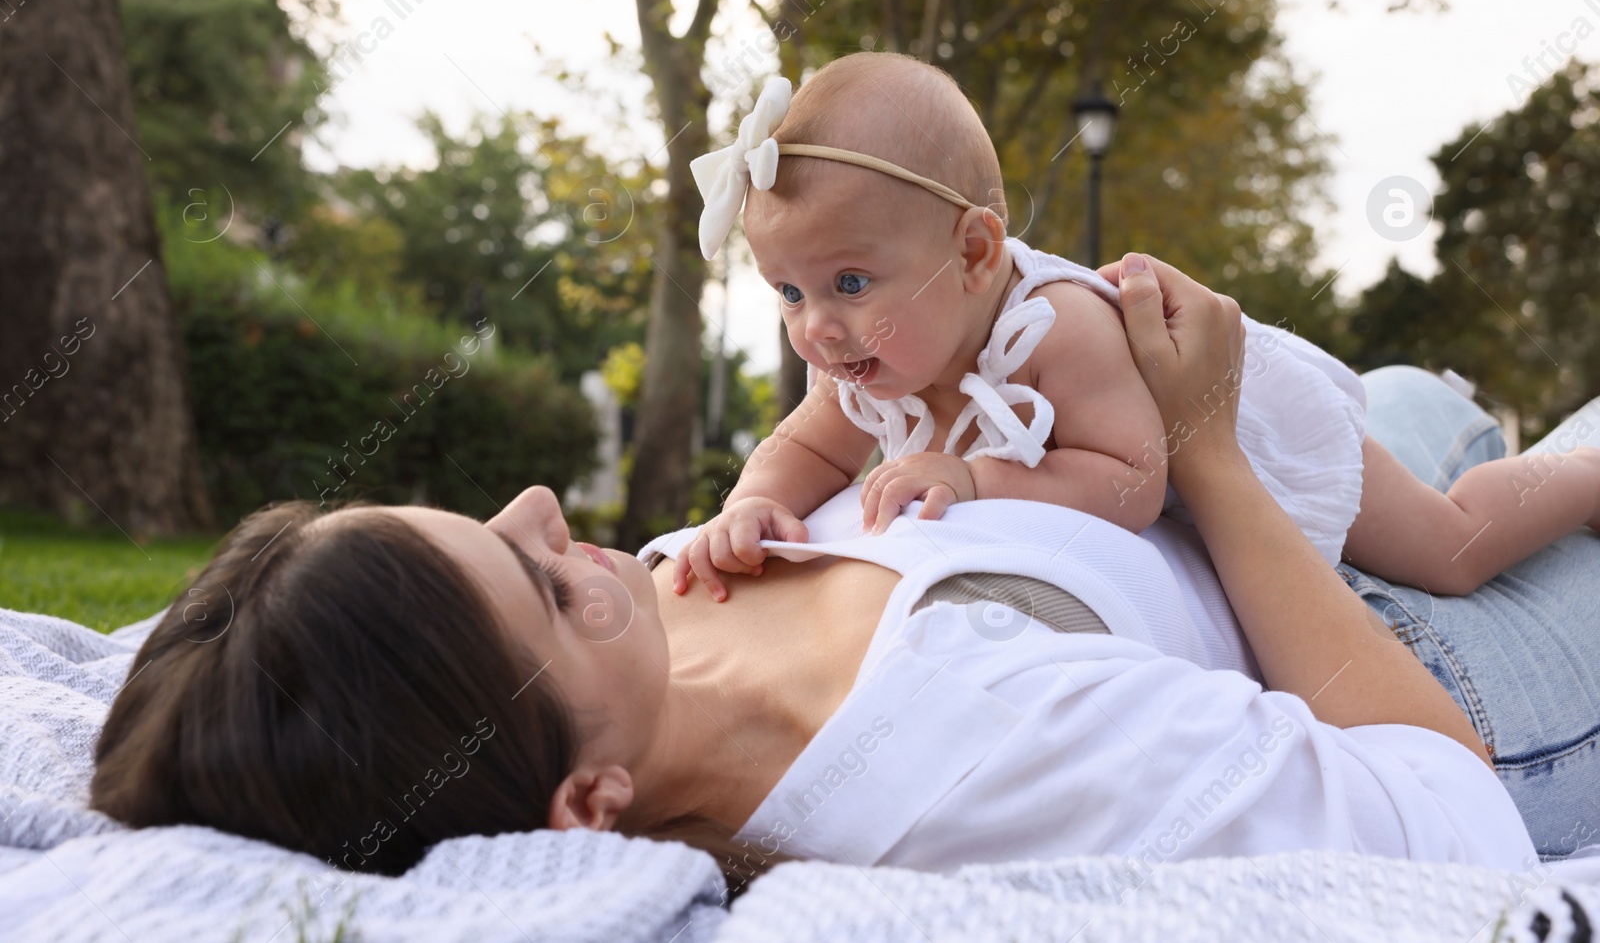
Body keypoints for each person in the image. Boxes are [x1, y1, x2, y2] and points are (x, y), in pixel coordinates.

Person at [96, 251, 1597, 887]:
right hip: (1404, 644)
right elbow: (1451, 829)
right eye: (538, 577)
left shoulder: (671, 604)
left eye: (488, 519)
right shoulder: (965, 746)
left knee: (1412, 398)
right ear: (583, 803)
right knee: (1511, 481)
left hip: (1272, 480)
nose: (546, 502)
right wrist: (1200, 446)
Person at [674, 52, 1600, 602]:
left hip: (1243, 436)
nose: (820, 330)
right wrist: (753, 502)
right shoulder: (866, 358)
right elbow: (807, 447)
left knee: (1449, 548)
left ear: (974, 252)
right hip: (1187, 478)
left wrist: (969, 473)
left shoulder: (1054, 329)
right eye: (788, 292)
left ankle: (1582, 479)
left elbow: (1132, 483)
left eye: (848, 281)